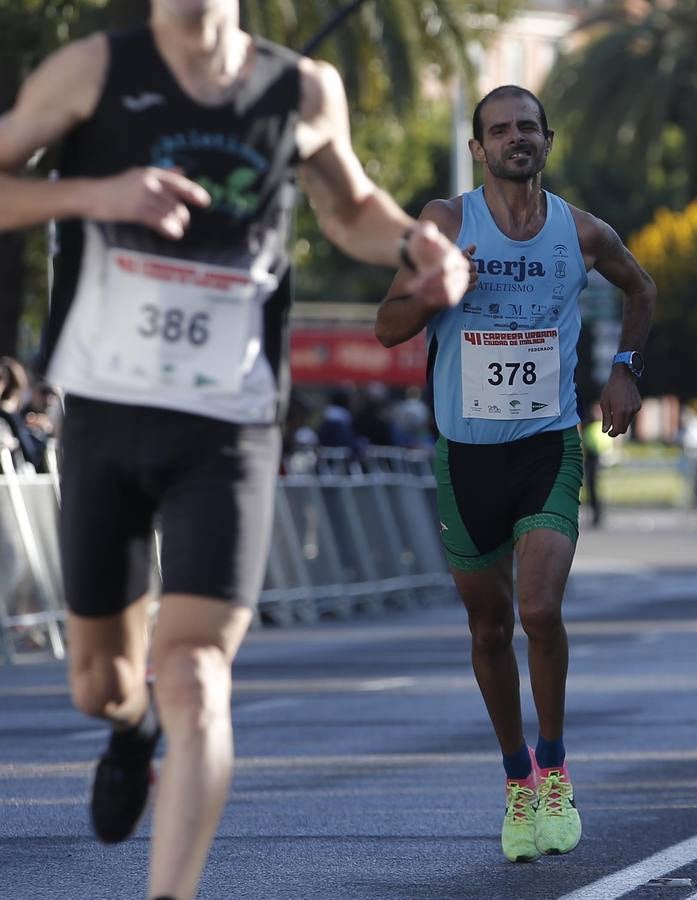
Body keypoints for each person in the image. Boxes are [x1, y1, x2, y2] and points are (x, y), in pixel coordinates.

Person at [0, 3, 472, 898]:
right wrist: (94, 195)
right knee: (99, 684)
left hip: (230, 422)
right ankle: (130, 730)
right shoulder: (92, 72)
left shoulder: (300, 88)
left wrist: (417, 245)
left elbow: (351, 207)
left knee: (198, 673)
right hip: (106, 409)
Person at [374, 84, 655, 863]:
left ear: (548, 140)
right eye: (499, 130)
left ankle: (557, 767)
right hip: (465, 455)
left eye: (527, 128)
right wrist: (437, 290)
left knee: (537, 608)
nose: (514, 139)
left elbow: (642, 288)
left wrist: (626, 370)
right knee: (488, 626)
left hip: (547, 445)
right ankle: (516, 779)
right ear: (478, 148)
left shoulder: (583, 232)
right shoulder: (443, 223)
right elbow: (386, 327)